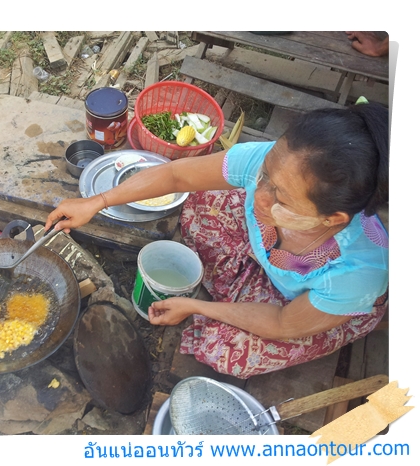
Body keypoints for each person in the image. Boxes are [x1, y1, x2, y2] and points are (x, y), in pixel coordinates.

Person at [45, 102, 389, 379]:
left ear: (332, 220)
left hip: (316, 309)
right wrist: (97, 202)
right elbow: (177, 174)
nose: (258, 197)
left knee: (227, 352)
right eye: (265, 176)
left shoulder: (357, 273)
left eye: (280, 198)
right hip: (277, 262)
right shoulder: (278, 163)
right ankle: (248, 291)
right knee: (201, 201)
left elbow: (283, 324)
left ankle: (239, 297)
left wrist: (197, 307)